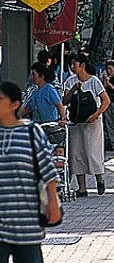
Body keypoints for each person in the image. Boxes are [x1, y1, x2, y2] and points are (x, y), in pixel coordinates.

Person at [0, 81, 62, 262]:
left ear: (14, 104)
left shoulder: (31, 131)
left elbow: (47, 170)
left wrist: (53, 203)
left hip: (26, 220)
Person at [63, 53, 111, 197]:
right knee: (76, 152)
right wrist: (73, 89)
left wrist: (95, 115)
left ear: (82, 65)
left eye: (75, 64)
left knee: (92, 151)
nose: (72, 67)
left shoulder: (94, 81)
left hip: (92, 122)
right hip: (76, 121)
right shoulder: (70, 81)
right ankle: (81, 188)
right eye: (71, 64)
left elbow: (106, 101)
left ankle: (99, 179)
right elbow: (65, 101)